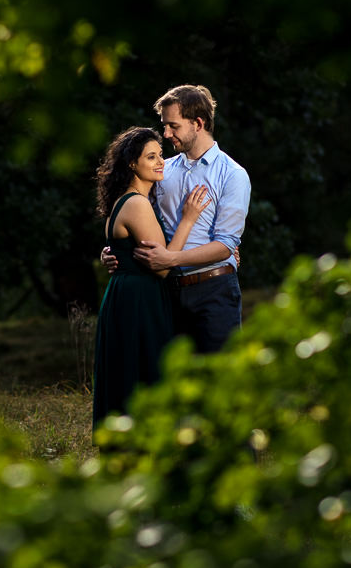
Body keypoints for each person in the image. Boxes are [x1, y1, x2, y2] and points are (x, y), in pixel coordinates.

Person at [104, 84, 250, 355]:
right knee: (173, 383)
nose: (166, 134)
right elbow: (135, 219)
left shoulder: (233, 175)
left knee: (219, 379)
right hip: (165, 293)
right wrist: (117, 252)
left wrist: (171, 260)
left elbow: (225, 245)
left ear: (198, 123)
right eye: (164, 126)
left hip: (214, 291)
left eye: (173, 126)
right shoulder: (162, 170)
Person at [92, 126, 212, 426]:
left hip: (127, 295)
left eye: (160, 155)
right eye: (151, 157)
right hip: (140, 300)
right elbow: (161, 266)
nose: (161, 162)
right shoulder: (136, 203)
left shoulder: (125, 200)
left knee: (130, 370)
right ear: (132, 163)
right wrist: (189, 219)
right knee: (143, 372)